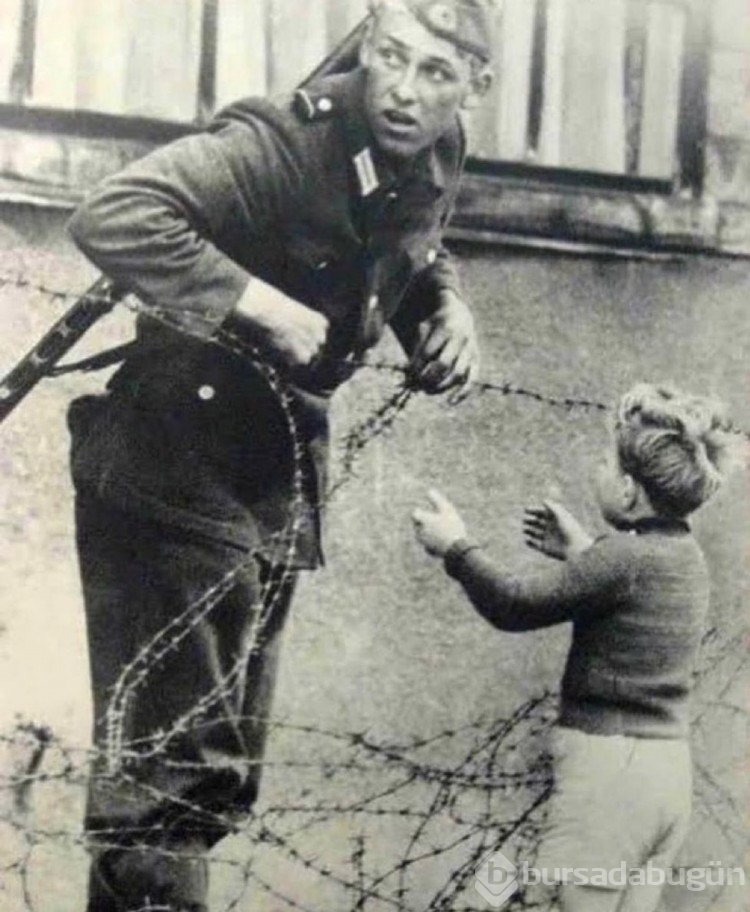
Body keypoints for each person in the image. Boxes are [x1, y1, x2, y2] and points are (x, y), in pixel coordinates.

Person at [66, 2, 494, 909]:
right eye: (391, 58)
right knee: (166, 783)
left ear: (474, 90)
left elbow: (403, 241)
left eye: (435, 74)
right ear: (369, 48)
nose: (403, 93)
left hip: (273, 484)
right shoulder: (282, 138)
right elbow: (115, 212)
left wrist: (444, 308)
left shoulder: (438, 150)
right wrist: (256, 301)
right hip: (174, 466)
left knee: (211, 778)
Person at [412, 383, 740, 912]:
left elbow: (514, 604)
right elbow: (635, 604)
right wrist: (582, 554)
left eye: (607, 463)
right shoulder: (686, 560)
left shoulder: (620, 560)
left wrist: (455, 547)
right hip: (666, 777)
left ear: (630, 492)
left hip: (609, 775)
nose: (598, 470)